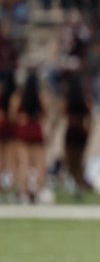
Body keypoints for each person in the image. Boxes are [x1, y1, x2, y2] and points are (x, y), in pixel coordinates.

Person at [9, 69, 48, 204]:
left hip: (23, 132)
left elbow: (12, 116)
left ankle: (23, 192)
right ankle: (38, 190)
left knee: (23, 164)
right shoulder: (40, 97)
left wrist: (22, 118)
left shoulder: (18, 97)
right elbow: (45, 114)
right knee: (39, 164)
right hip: (36, 131)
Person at [60, 61, 92, 200]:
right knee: (79, 161)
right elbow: (90, 116)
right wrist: (89, 130)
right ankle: (79, 185)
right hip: (81, 131)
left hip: (71, 130)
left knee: (70, 159)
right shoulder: (84, 99)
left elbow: (61, 113)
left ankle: (73, 183)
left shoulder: (67, 98)